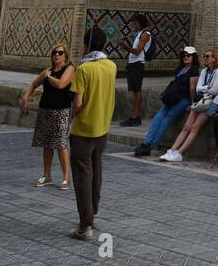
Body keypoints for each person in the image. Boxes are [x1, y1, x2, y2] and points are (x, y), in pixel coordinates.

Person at [69, 25, 117, 240]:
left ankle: (84, 225)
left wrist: (70, 117)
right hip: (102, 128)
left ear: (86, 45)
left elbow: (77, 102)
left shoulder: (83, 69)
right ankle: (94, 214)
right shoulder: (111, 66)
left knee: (82, 177)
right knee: (96, 171)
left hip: (84, 129)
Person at [20, 43, 75, 189]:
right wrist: (26, 97)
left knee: (61, 143)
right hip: (45, 111)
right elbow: (33, 84)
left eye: (60, 53)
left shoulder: (69, 68)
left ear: (66, 56)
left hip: (61, 112)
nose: (57, 55)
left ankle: (65, 178)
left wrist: (48, 77)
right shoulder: (48, 71)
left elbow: (61, 84)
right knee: (47, 143)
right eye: (55, 52)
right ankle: (47, 175)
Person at [160, 49, 218, 162]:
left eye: (208, 56)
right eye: (204, 56)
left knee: (194, 128)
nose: (205, 58)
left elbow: (214, 91)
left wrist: (205, 89)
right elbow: (198, 88)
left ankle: (179, 153)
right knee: (186, 127)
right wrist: (206, 88)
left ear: (214, 58)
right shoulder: (204, 71)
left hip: (212, 103)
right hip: (200, 101)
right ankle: (172, 150)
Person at [133, 47, 199, 157]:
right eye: (184, 55)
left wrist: (192, 103)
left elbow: (192, 87)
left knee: (167, 119)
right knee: (158, 116)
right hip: (173, 98)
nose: (186, 57)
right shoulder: (180, 69)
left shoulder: (194, 69)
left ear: (194, 57)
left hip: (184, 99)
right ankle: (146, 142)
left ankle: (150, 146)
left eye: (188, 55)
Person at [119, 13, 152, 126]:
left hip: (138, 64)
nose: (135, 26)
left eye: (136, 23)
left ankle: (135, 117)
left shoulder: (145, 35)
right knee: (135, 90)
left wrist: (125, 46)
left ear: (141, 23)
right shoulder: (140, 34)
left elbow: (137, 51)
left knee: (137, 90)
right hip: (134, 64)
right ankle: (135, 116)